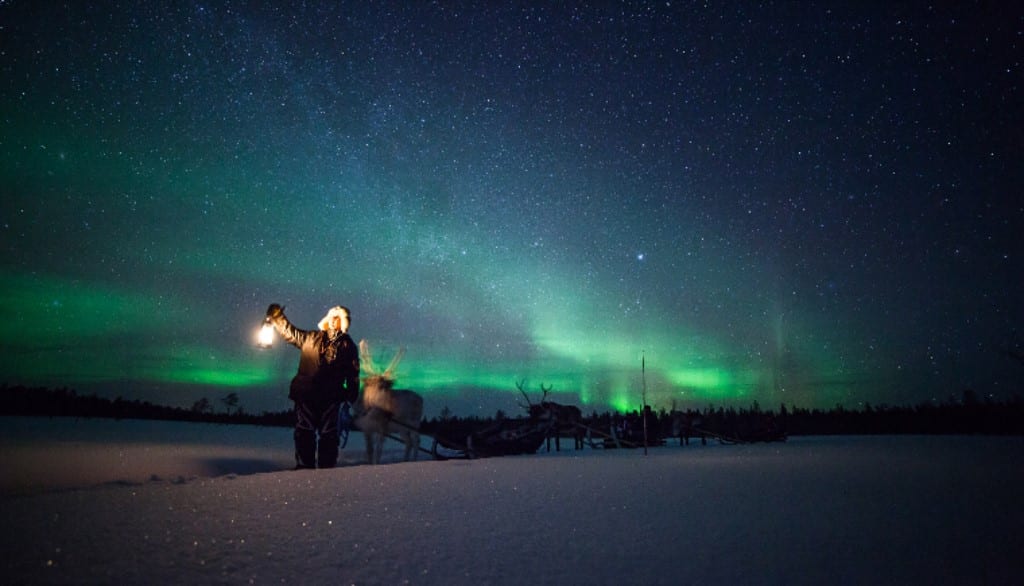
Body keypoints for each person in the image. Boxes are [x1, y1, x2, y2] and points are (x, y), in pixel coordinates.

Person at [265, 303, 360, 469]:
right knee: (304, 431)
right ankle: (304, 469)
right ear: (327, 319)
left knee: (329, 435)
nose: (333, 321)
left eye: (337, 319)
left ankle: (326, 471)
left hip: (331, 397)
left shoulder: (347, 345)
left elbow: (353, 373)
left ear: (342, 323)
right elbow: (290, 333)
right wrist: (278, 318)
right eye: (331, 317)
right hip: (306, 394)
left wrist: (350, 395)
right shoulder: (310, 337)